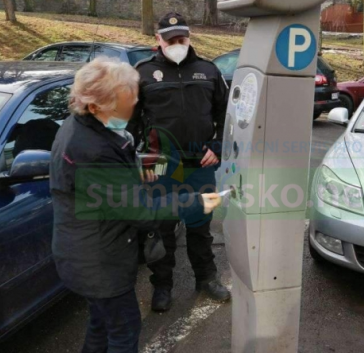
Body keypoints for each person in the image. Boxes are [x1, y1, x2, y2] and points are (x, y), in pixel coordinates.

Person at [50, 57, 222, 353]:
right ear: (95, 106)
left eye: (134, 100)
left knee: (101, 325)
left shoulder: (85, 127)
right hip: (100, 262)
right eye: (125, 104)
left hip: (88, 251)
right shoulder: (92, 148)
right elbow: (142, 211)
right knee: (124, 330)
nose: (132, 110)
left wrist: (135, 167)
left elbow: (105, 183)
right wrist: (198, 203)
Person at [128, 12, 230, 312]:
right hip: (161, 163)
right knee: (163, 227)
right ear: (158, 40)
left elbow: (225, 114)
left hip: (200, 162)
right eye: (170, 38)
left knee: (200, 225)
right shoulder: (143, 73)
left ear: (189, 37)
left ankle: (206, 278)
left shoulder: (209, 71)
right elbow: (131, 122)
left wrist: (219, 146)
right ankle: (162, 285)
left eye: (181, 38)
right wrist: (136, 158)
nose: (177, 43)